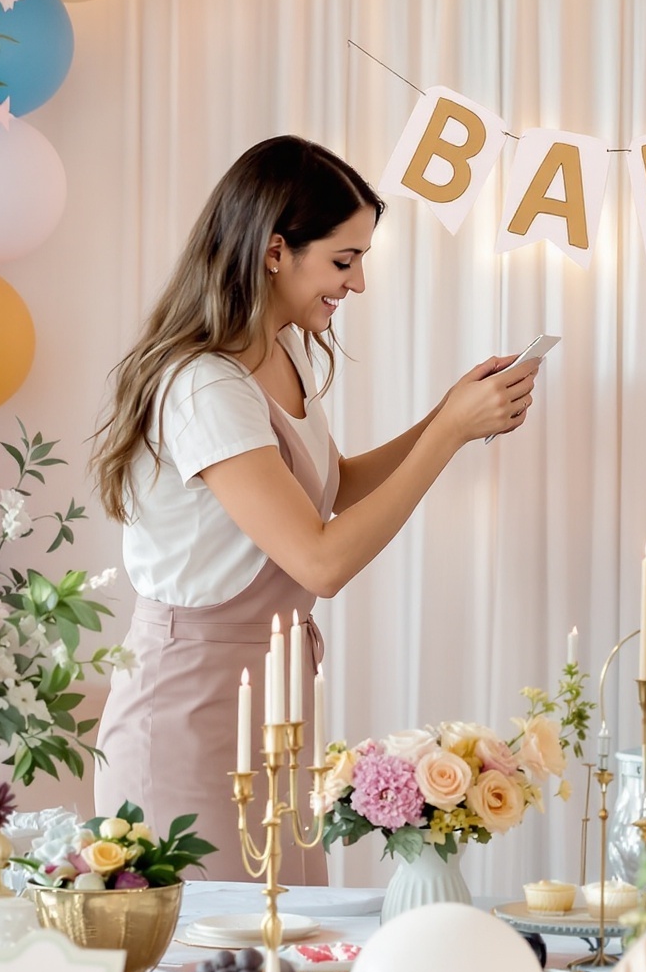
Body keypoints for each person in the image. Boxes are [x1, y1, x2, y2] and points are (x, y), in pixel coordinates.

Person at [90, 136, 539, 882]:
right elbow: (320, 559)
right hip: (192, 713)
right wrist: (450, 432)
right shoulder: (207, 385)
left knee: (284, 951)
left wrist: (448, 419)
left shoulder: (283, 351)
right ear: (274, 253)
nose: (358, 282)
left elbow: (332, 488)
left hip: (270, 702)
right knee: (214, 963)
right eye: (343, 260)